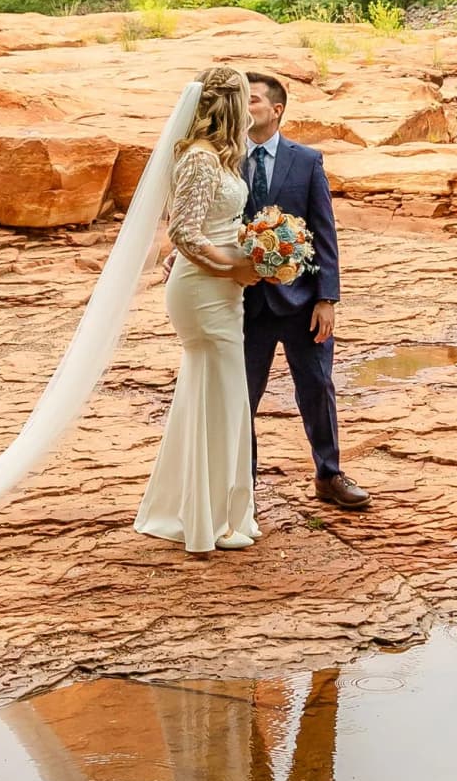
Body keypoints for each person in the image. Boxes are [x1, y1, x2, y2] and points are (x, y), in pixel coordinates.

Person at [134, 64, 265, 554]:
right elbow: (185, 233)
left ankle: (212, 511)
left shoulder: (219, 159)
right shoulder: (199, 159)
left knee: (217, 395)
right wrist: (231, 269)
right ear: (231, 105)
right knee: (222, 394)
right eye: (246, 100)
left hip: (222, 289)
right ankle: (206, 519)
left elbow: (213, 224)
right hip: (202, 290)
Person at [241, 70, 370, 512]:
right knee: (241, 396)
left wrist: (327, 298)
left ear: (276, 110)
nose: (245, 107)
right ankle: (243, 490)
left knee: (317, 387)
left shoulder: (306, 160)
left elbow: (323, 233)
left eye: (253, 100)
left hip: (302, 304)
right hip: (243, 305)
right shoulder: (225, 160)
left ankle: (329, 475)